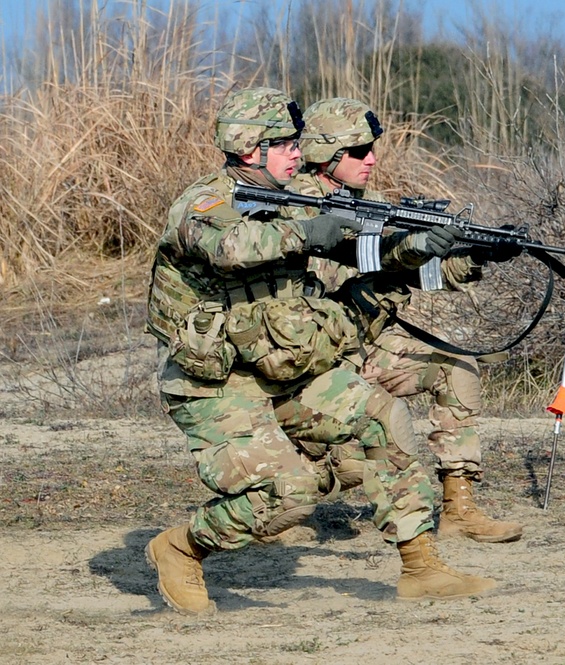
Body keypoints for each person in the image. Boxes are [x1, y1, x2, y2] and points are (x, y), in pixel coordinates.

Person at [143, 86, 495, 615]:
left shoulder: (296, 198)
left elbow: (363, 251)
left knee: (383, 419)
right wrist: (311, 231)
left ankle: (421, 565)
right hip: (215, 382)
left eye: (296, 143)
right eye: (283, 143)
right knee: (290, 497)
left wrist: (422, 248)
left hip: (289, 367)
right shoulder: (203, 202)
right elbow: (230, 247)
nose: (295, 152)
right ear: (248, 150)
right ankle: (182, 547)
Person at [292, 97, 524, 544]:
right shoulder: (290, 205)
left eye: (372, 149)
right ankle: (283, 504)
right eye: (360, 151)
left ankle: (459, 508)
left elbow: (411, 268)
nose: (372, 159)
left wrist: (471, 256)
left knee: (456, 369)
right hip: (307, 363)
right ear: (328, 153)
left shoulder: (376, 204)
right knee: (339, 468)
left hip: (366, 348)